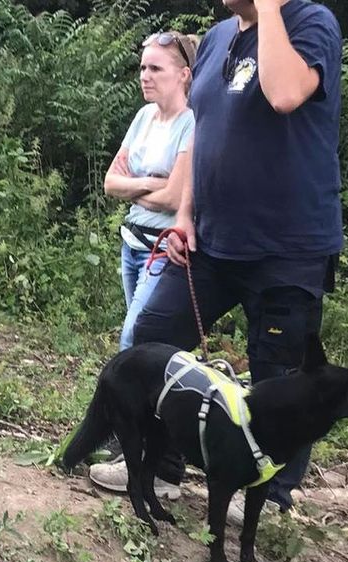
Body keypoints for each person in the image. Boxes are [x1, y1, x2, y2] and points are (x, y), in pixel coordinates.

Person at [92, 0, 344, 524]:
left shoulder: (309, 22)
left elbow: (284, 94)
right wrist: (184, 215)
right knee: (151, 337)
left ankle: (270, 496)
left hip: (288, 246)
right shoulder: (216, 38)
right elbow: (203, 132)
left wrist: (270, 6)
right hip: (210, 241)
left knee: (281, 376)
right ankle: (160, 465)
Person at [104, 32, 197, 352]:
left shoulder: (192, 124)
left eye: (155, 69)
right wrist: (149, 183)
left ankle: (123, 401)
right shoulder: (143, 117)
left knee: (134, 337)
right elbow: (109, 182)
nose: (145, 76)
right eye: (143, 68)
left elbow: (175, 198)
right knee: (143, 343)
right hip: (130, 243)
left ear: (183, 75)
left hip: (160, 249)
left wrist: (131, 188)